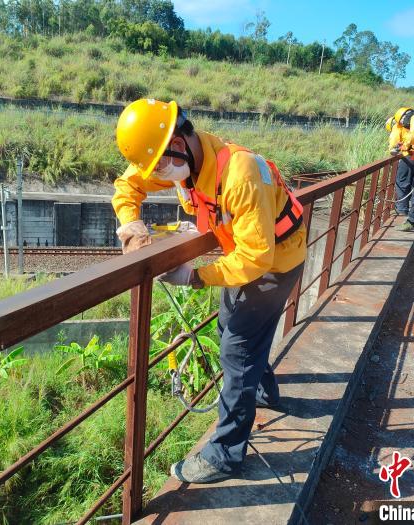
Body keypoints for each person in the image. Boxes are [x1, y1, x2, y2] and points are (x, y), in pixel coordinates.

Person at [111, 98, 307, 483]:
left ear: (179, 144)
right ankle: (263, 391)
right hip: (247, 254)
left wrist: (194, 276)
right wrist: (131, 222)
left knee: (237, 347)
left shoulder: (239, 174)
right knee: (234, 334)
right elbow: (127, 184)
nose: (161, 176)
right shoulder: (182, 163)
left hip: (275, 263)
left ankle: (225, 454)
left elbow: (256, 258)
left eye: (162, 166)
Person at [385, 116, 414, 216]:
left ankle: (402, 209)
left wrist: (392, 150)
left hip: (407, 156)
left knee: (402, 181)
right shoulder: (413, 126)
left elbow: (394, 144)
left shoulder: (397, 127)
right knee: (413, 181)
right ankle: (412, 207)